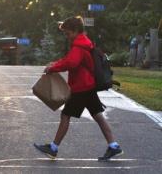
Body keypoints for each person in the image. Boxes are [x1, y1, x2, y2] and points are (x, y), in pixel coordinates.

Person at [34, 16, 123, 161]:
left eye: (68, 33)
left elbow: (72, 63)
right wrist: (55, 64)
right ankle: (113, 146)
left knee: (65, 116)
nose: (67, 36)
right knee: (98, 115)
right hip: (88, 86)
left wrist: (53, 68)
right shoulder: (82, 43)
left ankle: (53, 148)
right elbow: (70, 59)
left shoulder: (79, 45)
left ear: (76, 31)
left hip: (81, 88)